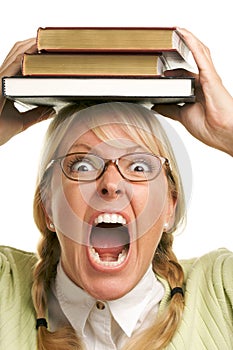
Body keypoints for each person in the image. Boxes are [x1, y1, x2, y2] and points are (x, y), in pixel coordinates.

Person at [0, 28, 232, 350]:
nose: (110, 184)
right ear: (47, 207)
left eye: (138, 166)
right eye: (82, 165)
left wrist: (229, 130)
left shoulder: (221, 292)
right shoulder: (4, 288)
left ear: (170, 207)